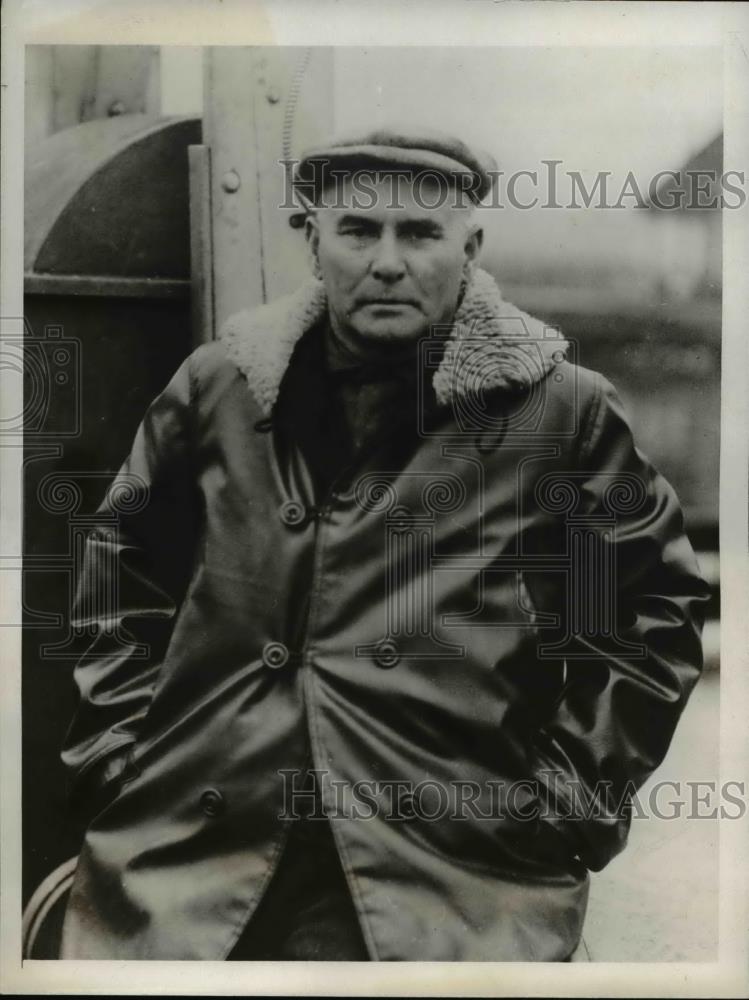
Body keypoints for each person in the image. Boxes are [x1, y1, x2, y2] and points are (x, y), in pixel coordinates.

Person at [59, 127, 710, 961]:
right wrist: (119, 761)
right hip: (192, 841)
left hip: (452, 864)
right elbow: (119, 572)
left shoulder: (561, 411)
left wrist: (567, 803)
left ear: (470, 246)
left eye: (420, 233)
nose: (388, 261)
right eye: (359, 231)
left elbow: (649, 613)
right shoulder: (218, 384)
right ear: (313, 239)